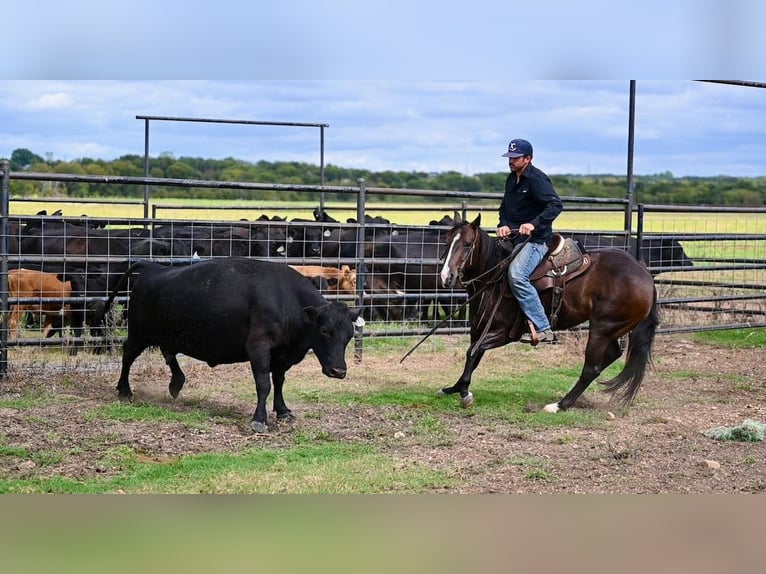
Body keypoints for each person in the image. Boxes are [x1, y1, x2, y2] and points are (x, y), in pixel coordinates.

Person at [496, 138, 563, 344]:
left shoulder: (537, 179)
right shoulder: (511, 179)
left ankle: (543, 328)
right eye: (510, 157)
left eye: (515, 158)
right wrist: (504, 224)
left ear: (528, 158)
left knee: (517, 275)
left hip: (536, 240)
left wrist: (534, 224)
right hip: (515, 238)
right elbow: (504, 207)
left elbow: (555, 205)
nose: (511, 161)